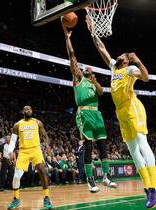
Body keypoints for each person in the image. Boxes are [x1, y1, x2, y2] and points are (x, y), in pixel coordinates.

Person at [86, 16, 156, 209]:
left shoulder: (130, 69)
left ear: (128, 60)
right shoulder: (114, 67)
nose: (120, 54)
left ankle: (153, 186)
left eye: (125, 55)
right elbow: (101, 49)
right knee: (132, 149)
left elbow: (146, 78)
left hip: (133, 108)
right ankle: (150, 189)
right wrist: (93, 30)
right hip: (120, 112)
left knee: (142, 144)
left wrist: (138, 60)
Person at [63, 25, 117, 193]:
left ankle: (106, 177)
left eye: (89, 69)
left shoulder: (94, 83)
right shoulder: (78, 78)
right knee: (88, 146)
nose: (87, 68)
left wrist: (96, 82)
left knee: (102, 145)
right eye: (85, 68)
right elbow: (72, 56)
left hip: (96, 114)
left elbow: (101, 92)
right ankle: (90, 179)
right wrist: (67, 38)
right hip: (84, 113)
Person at [7, 106, 52, 210]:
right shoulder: (17, 125)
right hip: (23, 151)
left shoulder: (37, 122)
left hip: (36, 150)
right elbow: (13, 140)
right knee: (16, 176)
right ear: (23, 111)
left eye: (30, 109)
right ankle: (16, 198)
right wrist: (10, 151)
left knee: (42, 172)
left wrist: (48, 147)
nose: (28, 110)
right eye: (26, 109)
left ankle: (46, 197)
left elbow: (45, 136)